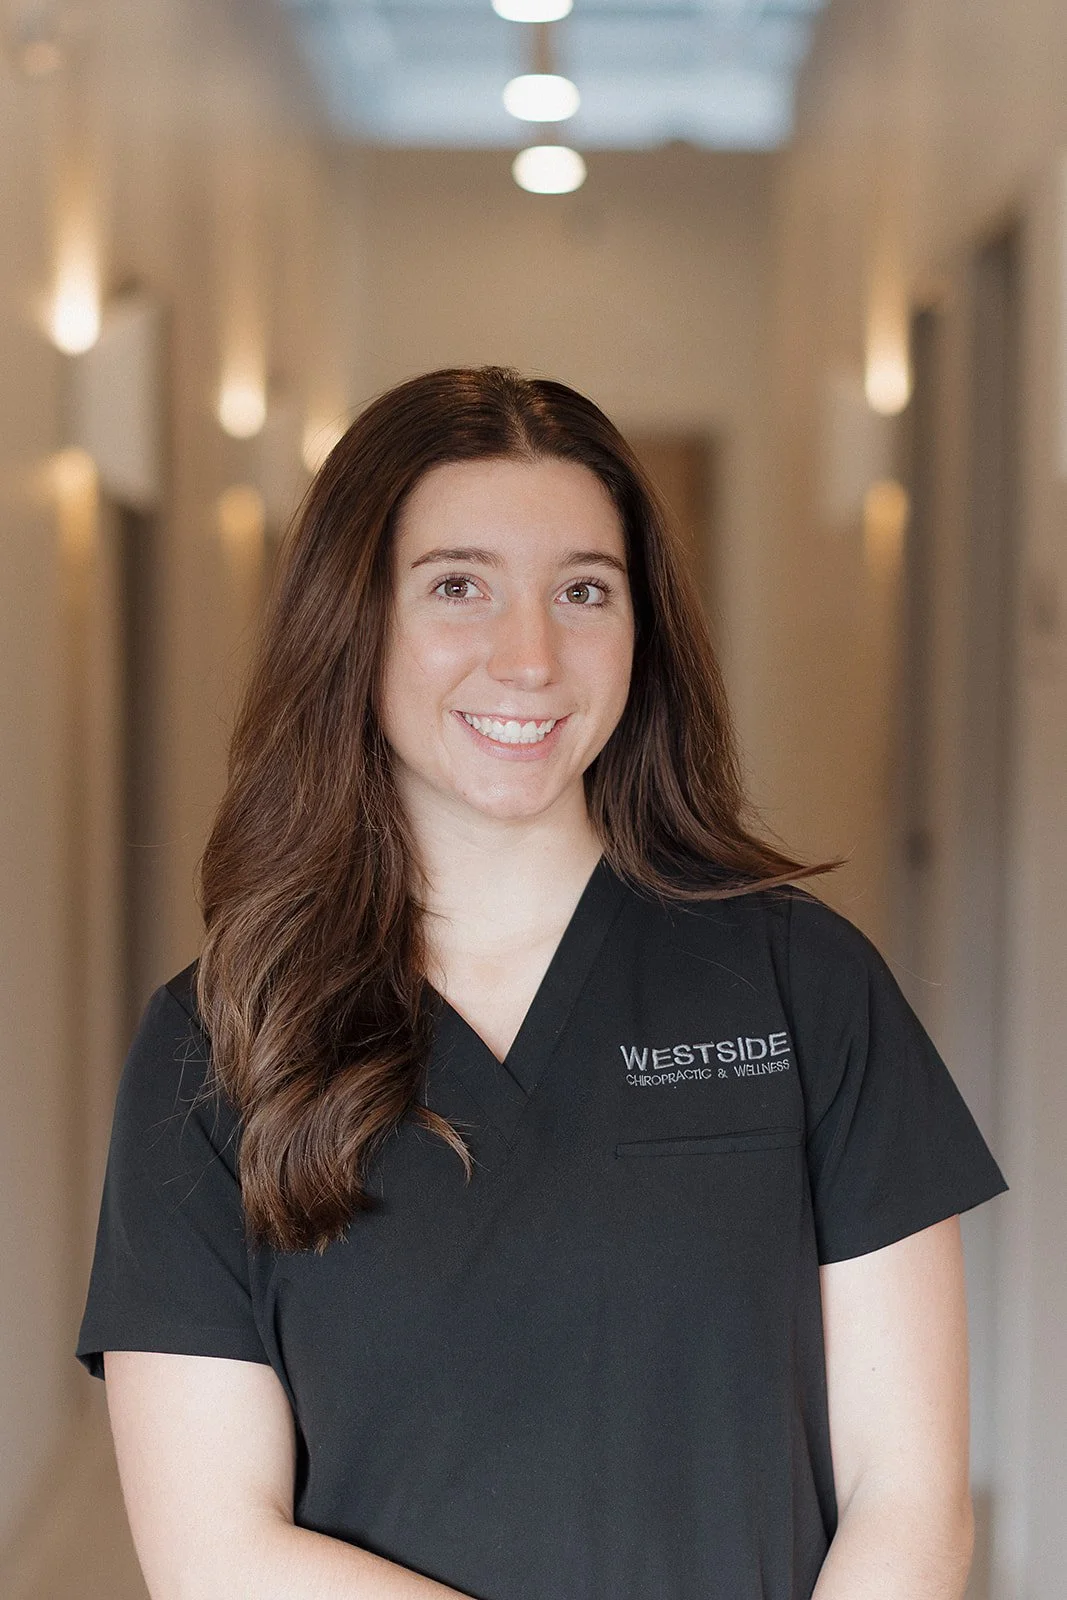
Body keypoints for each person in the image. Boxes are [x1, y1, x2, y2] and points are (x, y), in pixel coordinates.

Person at [77, 365, 1008, 1600]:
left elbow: (910, 1500)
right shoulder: (219, 1041)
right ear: (351, 622)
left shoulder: (802, 984)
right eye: (457, 585)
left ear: (640, 630)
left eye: (582, 590)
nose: (529, 658)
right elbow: (216, 1553)